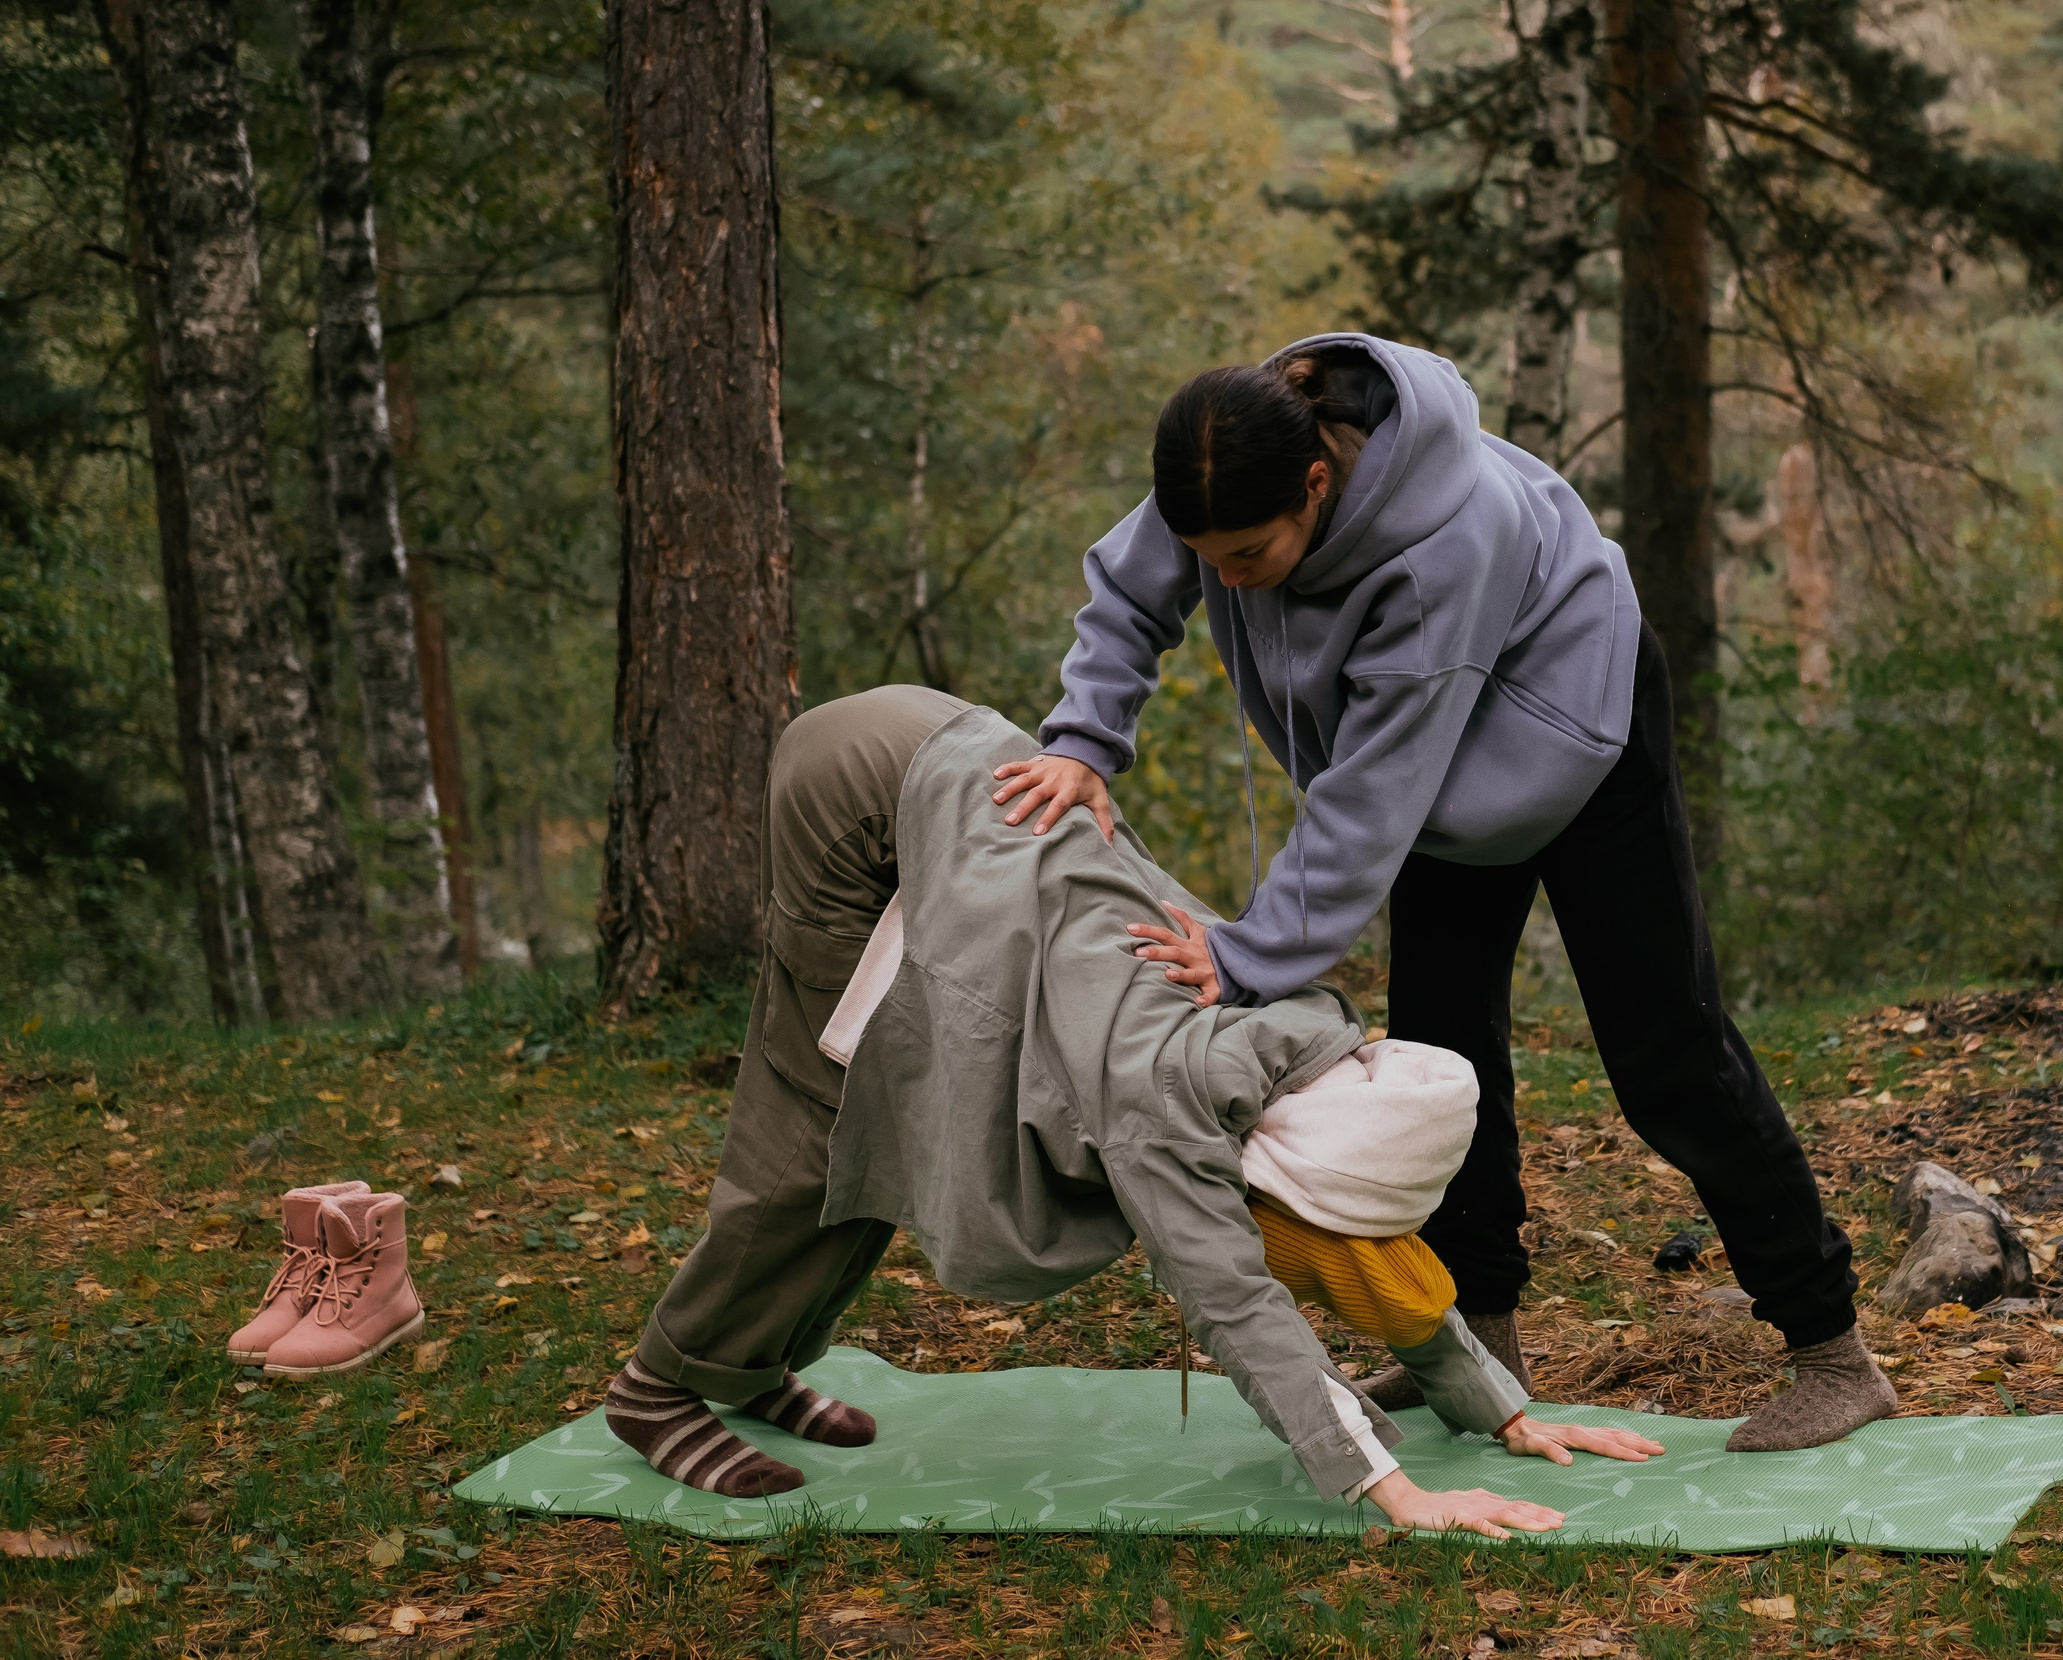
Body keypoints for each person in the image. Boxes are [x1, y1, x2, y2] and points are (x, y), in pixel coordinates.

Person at [992, 334, 1897, 1451]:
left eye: (1248, 555)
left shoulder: (1442, 545)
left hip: (1580, 726)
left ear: (1315, 484)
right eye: (1204, 555)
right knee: (1438, 1053)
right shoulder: (1232, 454)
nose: (1223, 578)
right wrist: (1084, 738)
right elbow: (1135, 585)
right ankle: (1481, 1341)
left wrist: (1246, 954)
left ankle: (1832, 1351)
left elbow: (1370, 793)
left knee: (1666, 1048)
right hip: (1434, 751)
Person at [606, 686, 1661, 1535]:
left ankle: (747, 1364)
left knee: (881, 1119)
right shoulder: (1169, 1100)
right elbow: (1237, 1303)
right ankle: (660, 1385)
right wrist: (1397, 1491)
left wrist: (1499, 1409)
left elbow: (1363, 1248)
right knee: (833, 1113)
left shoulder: (1306, 1045)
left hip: (955, 749)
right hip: (854, 798)